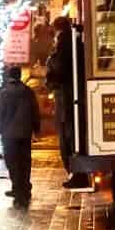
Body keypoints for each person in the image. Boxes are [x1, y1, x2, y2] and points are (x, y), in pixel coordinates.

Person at [45, 17, 83, 187]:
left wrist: (50, 69)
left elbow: (59, 69)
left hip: (67, 98)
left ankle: (75, 173)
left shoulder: (63, 45)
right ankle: (76, 173)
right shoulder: (75, 42)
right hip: (71, 96)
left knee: (67, 137)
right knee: (71, 135)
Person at [0, 66, 41, 205]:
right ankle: (25, 187)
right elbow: (35, 111)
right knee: (25, 161)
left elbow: (0, 113)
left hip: (9, 134)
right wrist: (36, 128)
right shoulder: (28, 92)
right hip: (25, 133)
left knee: (12, 162)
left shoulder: (4, 93)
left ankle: (17, 187)